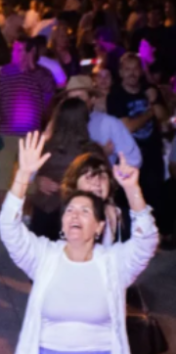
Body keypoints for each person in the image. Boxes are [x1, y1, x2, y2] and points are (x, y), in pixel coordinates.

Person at [0, 132, 157, 354]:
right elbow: (8, 228)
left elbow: (146, 240)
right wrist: (22, 176)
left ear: (99, 226)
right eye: (70, 210)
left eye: (86, 211)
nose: (75, 214)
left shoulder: (113, 264)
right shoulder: (44, 257)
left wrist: (133, 190)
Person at [0, 35, 57, 216]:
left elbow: (50, 93)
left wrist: (32, 68)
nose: (14, 53)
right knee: (2, 176)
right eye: (14, 49)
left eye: (19, 50)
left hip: (31, 136)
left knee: (29, 178)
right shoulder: (4, 73)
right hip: (6, 133)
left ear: (31, 52)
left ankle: (26, 215)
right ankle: (1, 214)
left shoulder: (42, 74)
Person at [106, 53, 167, 230]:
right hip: (128, 159)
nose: (132, 73)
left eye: (135, 68)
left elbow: (163, 116)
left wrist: (153, 100)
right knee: (129, 201)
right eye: (127, 69)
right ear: (120, 72)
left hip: (152, 154)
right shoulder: (115, 95)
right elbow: (128, 127)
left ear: (141, 71)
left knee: (155, 197)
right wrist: (149, 113)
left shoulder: (149, 91)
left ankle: (155, 235)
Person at [29, 98, 101, 240]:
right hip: (76, 212)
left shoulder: (45, 146)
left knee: (42, 251)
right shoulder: (92, 151)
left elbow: (26, 176)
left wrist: (37, 180)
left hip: (47, 210)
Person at [61, 152, 130, 245]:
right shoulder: (65, 218)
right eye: (89, 177)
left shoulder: (123, 215)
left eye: (102, 176)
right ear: (75, 183)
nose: (97, 182)